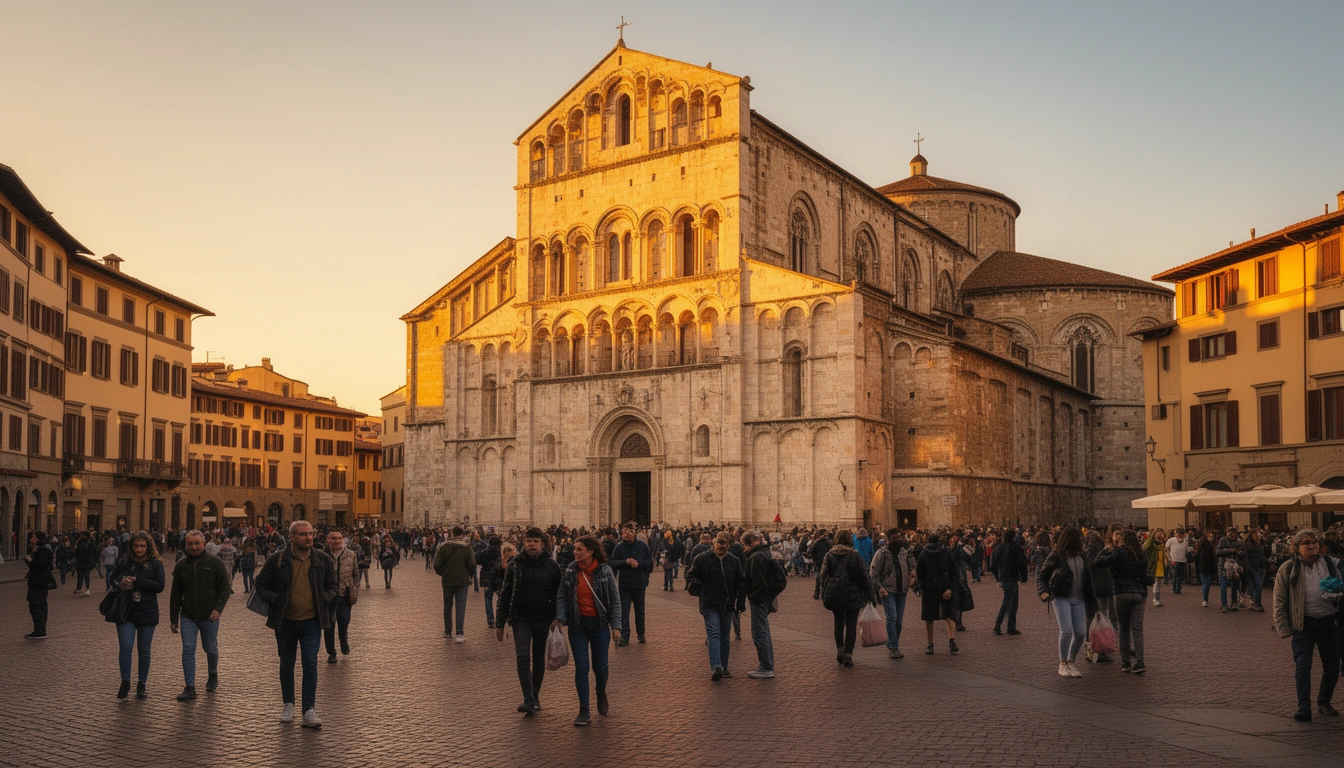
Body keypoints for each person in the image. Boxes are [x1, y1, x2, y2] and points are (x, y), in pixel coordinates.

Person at [253, 520, 339, 728]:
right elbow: (260, 585)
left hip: (311, 621)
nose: (308, 538)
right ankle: (288, 704)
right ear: (291, 537)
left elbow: (333, 586)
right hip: (285, 621)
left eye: (310, 534)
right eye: (303, 534)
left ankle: (309, 710)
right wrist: (276, 599)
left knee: (310, 663)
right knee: (287, 663)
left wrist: (322, 600)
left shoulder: (322, 559)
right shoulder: (277, 559)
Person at [1272, 529, 1341, 722]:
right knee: (1303, 665)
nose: (1312, 546)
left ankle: (1324, 702)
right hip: (1303, 624)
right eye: (1306, 543)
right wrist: (1284, 627)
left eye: (1315, 542)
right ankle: (1304, 707)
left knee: (1333, 665)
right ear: (1297, 547)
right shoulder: (1288, 568)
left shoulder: (1331, 564)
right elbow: (1279, 599)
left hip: (1329, 620)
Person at [554, 535, 620, 727]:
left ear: (591, 551)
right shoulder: (570, 571)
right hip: (578, 626)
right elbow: (561, 597)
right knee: (581, 667)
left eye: (579, 549)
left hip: (600, 626)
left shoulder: (605, 572)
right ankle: (584, 709)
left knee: (601, 667)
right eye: (575, 548)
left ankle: (600, 691)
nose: (575, 552)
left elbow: (615, 601)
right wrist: (560, 617)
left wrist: (616, 626)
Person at [495, 528, 563, 714]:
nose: (531, 544)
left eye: (535, 541)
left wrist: (558, 617)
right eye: (528, 541)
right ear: (523, 543)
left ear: (542, 543)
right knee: (523, 656)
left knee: (539, 659)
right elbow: (506, 593)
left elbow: (560, 594)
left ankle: (535, 695)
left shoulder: (552, 566)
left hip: (544, 619)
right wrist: (499, 623)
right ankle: (528, 698)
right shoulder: (515, 564)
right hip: (521, 619)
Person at [169, 530, 232, 701]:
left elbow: (225, 589)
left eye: (197, 543)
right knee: (188, 649)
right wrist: (174, 618)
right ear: (186, 545)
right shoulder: (181, 565)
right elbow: (175, 594)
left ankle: (212, 674)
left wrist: (218, 609)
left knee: (210, 648)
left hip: (209, 616)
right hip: (188, 615)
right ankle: (190, 687)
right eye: (190, 544)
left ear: (204, 543)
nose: (194, 547)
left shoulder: (215, 563)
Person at [110, 533, 167, 699]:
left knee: (144, 650)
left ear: (148, 547)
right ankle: (125, 681)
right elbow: (113, 577)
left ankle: (141, 683)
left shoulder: (156, 563)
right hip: (126, 609)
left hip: (147, 610)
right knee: (126, 646)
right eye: (136, 546)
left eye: (142, 546)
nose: (139, 549)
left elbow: (160, 586)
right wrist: (121, 579)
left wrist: (137, 581)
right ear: (131, 547)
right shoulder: (124, 560)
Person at [1037, 528, 1096, 678]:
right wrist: (1044, 591)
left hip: (1078, 598)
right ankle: (1063, 663)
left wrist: (1093, 602)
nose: (1080, 541)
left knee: (1081, 633)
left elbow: (1088, 580)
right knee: (1066, 631)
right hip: (1061, 596)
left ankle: (1071, 660)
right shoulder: (1057, 556)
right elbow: (1042, 574)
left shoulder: (1082, 556)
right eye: (1077, 538)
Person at [687, 532, 745, 680]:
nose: (721, 546)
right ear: (713, 542)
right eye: (719, 542)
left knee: (725, 637)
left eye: (724, 543)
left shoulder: (734, 561)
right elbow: (690, 575)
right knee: (714, 635)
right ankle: (716, 666)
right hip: (709, 603)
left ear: (729, 545)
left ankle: (724, 668)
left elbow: (741, 583)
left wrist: (740, 604)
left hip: (727, 604)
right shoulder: (702, 558)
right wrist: (697, 586)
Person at [820, 529, 878, 666]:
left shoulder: (829, 555)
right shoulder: (855, 556)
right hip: (853, 594)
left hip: (835, 594)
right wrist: (870, 594)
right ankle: (848, 655)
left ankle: (839, 651)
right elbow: (864, 577)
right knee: (851, 625)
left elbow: (823, 576)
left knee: (838, 623)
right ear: (849, 541)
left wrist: (824, 592)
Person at [1095, 529, 1149, 674]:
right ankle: (1140, 661)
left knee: (1124, 628)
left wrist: (1106, 550)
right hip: (1139, 593)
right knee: (1137, 629)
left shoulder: (1119, 552)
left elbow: (1098, 562)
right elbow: (1146, 573)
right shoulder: (1141, 554)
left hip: (1122, 592)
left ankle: (1125, 661)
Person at [871, 528, 917, 658]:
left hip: (902, 590)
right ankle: (893, 646)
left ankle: (894, 643)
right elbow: (873, 573)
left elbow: (912, 567)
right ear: (889, 539)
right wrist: (879, 588)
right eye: (894, 537)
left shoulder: (905, 553)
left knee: (899, 621)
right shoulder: (881, 553)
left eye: (899, 537)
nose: (897, 540)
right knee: (892, 618)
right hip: (888, 590)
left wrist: (913, 573)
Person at [915, 533, 959, 656]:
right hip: (945, 587)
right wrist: (950, 588)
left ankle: (930, 644)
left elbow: (920, 573)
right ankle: (952, 640)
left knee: (929, 617)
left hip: (930, 588)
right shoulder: (947, 552)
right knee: (949, 615)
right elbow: (955, 572)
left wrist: (923, 586)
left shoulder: (924, 554)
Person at [741, 530, 778, 678]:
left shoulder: (756, 557)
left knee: (759, 632)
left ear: (751, 543)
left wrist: (755, 597)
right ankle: (767, 664)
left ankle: (766, 667)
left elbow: (757, 582)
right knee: (763, 631)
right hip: (764, 599)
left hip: (759, 600)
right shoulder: (764, 553)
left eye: (745, 545)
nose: (744, 548)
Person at [611, 523, 652, 646]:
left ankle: (641, 634)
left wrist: (638, 564)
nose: (627, 534)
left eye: (629, 531)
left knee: (640, 611)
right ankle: (625, 636)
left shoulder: (642, 546)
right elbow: (612, 562)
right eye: (625, 532)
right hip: (625, 585)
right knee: (624, 611)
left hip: (639, 584)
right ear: (622, 534)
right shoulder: (619, 547)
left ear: (634, 533)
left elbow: (650, 563)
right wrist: (625, 562)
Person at [434, 526, 477, 642]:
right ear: (462, 535)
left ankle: (448, 632)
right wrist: (469, 574)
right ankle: (459, 634)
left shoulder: (443, 547)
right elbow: (473, 565)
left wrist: (443, 573)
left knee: (447, 607)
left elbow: (436, 565)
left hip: (447, 581)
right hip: (462, 581)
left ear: (452, 534)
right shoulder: (467, 547)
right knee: (460, 607)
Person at [324, 531, 360, 663]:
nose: (337, 541)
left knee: (344, 621)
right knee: (329, 625)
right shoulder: (323, 555)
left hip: (344, 594)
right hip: (328, 596)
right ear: (328, 540)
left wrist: (354, 587)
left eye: (339, 538)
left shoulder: (351, 555)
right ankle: (331, 652)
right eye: (333, 538)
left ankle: (344, 643)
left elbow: (356, 574)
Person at [990, 528, 1028, 636]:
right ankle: (998, 624)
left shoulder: (999, 548)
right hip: (1012, 577)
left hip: (1004, 577)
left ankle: (1011, 627)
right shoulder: (1016, 547)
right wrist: (1024, 577)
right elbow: (1022, 563)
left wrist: (998, 577)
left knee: (1012, 603)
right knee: (1008, 602)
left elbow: (992, 565)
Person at [24, 532, 57, 639]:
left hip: (39, 582)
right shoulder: (40, 549)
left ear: (39, 539)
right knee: (37, 606)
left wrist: (31, 560)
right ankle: (38, 629)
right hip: (36, 581)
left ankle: (40, 631)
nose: (31, 539)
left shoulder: (44, 550)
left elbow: (40, 564)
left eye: (34, 538)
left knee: (37, 606)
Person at [1216, 528, 1246, 612]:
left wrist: (1239, 553)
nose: (1231, 536)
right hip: (1223, 565)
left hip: (1235, 566)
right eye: (1229, 533)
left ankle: (1234, 602)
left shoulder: (1239, 541)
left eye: (1233, 534)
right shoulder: (1223, 540)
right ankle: (1224, 604)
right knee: (1224, 585)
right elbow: (1218, 552)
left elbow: (1244, 553)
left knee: (1235, 584)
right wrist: (1229, 551)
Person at [1244, 529, 1269, 612]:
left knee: (1257, 585)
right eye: (1257, 535)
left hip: (1262, 566)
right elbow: (1246, 557)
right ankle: (1258, 603)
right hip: (1254, 567)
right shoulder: (1249, 545)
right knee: (1258, 585)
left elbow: (1264, 554)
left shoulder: (1262, 543)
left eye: (1259, 535)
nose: (1259, 536)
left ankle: (1253, 601)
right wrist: (1248, 567)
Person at [1144, 529, 1168, 607]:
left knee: (1158, 584)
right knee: (1152, 583)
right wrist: (1152, 538)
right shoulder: (1152, 544)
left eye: (1162, 534)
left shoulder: (1163, 544)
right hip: (1153, 565)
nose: (1160, 535)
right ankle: (1151, 598)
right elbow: (1145, 548)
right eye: (1159, 534)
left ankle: (1156, 599)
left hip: (1161, 566)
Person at [1195, 530, 1218, 607]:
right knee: (1205, 583)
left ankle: (1205, 599)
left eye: (1212, 537)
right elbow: (1197, 556)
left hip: (1210, 566)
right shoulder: (1202, 546)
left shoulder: (1214, 545)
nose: (1211, 538)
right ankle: (1205, 600)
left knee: (1207, 583)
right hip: (1203, 566)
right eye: (1209, 537)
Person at [810, 531, 833, 599]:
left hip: (819, 562)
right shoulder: (829, 543)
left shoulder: (817, 543)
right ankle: (826, 592)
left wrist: (815, 560)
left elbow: (813, 552)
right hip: (828, 562)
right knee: (827, 577)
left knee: (819, 577)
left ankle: (817, 592)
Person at [1165, 529, 1188, 595]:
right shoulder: (1171, 540)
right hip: (1174, 560)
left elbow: (1185, 550)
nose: (1178, 535)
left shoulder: (1185, 541)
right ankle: (1176, 588)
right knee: (1176, 573)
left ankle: (1177, 586)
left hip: (1181, 560)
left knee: (1179, 574)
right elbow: (1166, 549)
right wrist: (1169, 558)